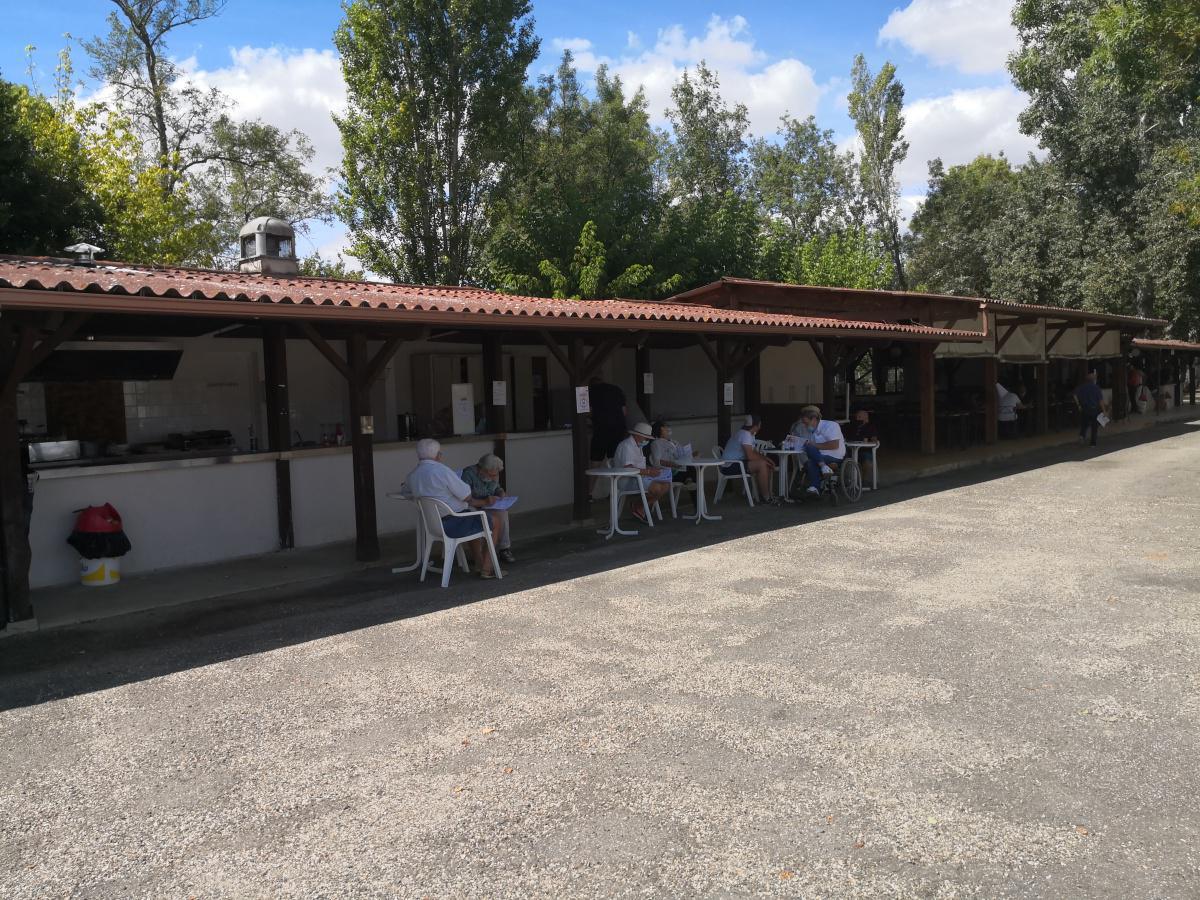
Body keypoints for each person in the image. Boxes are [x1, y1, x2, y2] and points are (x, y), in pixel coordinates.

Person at [406, 439, 502, 578]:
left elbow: (406, 490)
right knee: (494, 521)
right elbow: (467, 495)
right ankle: (487, 569)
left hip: (434, 526)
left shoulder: (413, 474)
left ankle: (479, 564)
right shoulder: (442, 471)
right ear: (438, 455)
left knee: (473, 516)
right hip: (453, 524)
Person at [461, 453, 514, 564]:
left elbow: (496, 488)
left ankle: (504, 549)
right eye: (490, 475)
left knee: (502, 512)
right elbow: (465, 499)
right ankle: (479, 554)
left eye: (495, 475)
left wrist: (501, 493)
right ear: (482, 469)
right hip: (473, 504)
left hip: (489, 504)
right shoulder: (468, 474)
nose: (493, 477)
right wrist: (483, 501)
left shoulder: (494, 472)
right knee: (473, 515)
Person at [614, 422, 671, 524]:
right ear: (637, 435)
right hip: (626, 480)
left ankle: (639, 506)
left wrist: (652, 470)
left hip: (639, 477)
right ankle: (639, 506)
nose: (647, 440)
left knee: (666, 485)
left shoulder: (638, 446)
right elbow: (628, 468)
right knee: (657, 488)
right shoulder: (627, 445)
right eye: (645, 438)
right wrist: (649, 472)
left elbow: (640, 466)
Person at [721, 413, 777, 503]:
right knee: (762, 465)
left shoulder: (749, 434)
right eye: (760, 424)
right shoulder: (745, 434)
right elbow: (750, 456)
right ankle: (766, 498)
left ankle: (768, 494)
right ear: (757, 425)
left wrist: (767, 459)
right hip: (729, 466)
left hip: (735, 463)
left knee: (765, 464)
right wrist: (764, 461)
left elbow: (754, 452)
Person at [587, 377, 627, 499]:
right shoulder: (616, 390)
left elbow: (587, 411)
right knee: (614, 463)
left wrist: (592, 419)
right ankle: (615, 493)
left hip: (601, 430)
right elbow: (624, 412)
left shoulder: (590, 392)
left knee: (595, 463)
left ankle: (588, 494)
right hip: (618, 431)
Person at [796, 405, 845, 497]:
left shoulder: (831, 425)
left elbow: (834, 445)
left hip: (834, 455)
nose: (806, 426)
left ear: (814, 419)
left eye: (807, 423)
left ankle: (815, 486)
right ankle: (823, 468)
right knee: (810, 456)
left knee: (811, 454)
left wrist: (814, 445)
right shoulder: (812, 430)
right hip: (819, 456)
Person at [842, 407, 879, 484]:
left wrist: (868, 441)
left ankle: (862, 481)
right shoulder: (852, 425)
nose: (857, 418)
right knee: (841, 458)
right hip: (850, 449)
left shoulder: (871, 426)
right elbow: (844, 437)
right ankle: (847, 481)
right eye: (857, 416)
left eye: (859, 417)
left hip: (864, 450)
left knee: (867, 462)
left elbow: (874, 440)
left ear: (866, 417)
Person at [1074, 370, 1108, 447]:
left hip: (1084, 408)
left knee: (1084, 424)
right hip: (1094, 409)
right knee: (1094, 426)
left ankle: (1082, 435)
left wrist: (1078, 405)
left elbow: (1075, 395)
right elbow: (1101, 401)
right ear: (1094, 380)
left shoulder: (1081, 387)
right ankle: (1093, 443)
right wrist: (1104, 411)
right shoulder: (1096, 388)